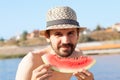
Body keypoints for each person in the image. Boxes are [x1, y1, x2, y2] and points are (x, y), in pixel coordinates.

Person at [16, 6, 94, 80]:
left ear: (78, 35)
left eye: (70, 33)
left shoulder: (78, 55)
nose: (65, 41)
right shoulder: (31, 61)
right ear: (47, 37)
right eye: (58, 34)